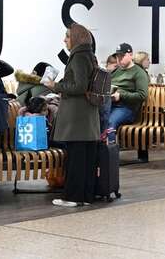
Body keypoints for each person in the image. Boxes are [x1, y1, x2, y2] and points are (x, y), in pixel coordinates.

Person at [43, 23, 100, 207]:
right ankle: (85, 196)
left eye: (67, 36)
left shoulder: (77, 57)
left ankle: (72, 197)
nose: (65, 40)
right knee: (85, 159)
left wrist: (55, 86)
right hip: (88, 116)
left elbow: (79, 86)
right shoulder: (90, 55)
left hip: (77, 117)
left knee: (75, 159)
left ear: (75, 38)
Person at [102, 43, 149, 142]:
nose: (119, 59)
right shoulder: (115, 71)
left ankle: (111, 154)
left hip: (127, 108)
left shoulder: (139, 73)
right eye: (118, 56)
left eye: (122, 56)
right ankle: (99, 152)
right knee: (96, 120)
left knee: (110, 122)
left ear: (131, 55)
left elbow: (142, 95)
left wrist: (121, 95)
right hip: (110, 104)